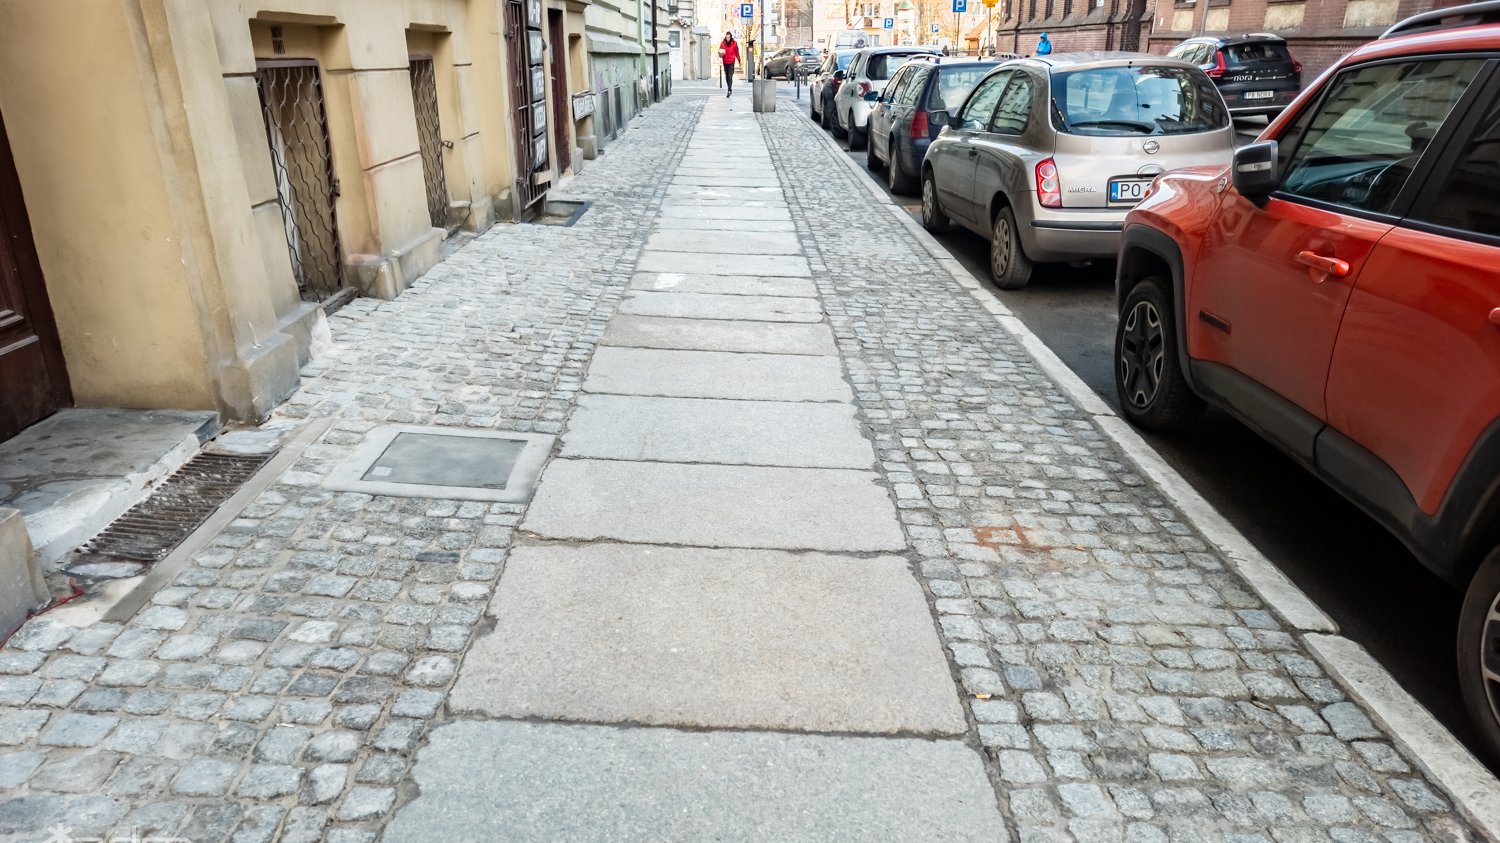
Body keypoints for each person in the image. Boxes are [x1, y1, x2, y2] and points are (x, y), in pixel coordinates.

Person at [719, 32, 740, 96]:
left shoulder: (734, 43)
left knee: (730, 76)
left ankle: (729, 90)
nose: (727, 38)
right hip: (725, 62)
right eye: (726, 37)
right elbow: (719, 52)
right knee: (726, 77)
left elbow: (736, 52)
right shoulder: (722, 43)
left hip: (731, 62)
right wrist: (720, 54)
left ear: (730, 37)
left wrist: (739, 60)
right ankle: (729, 89)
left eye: (728, 37)